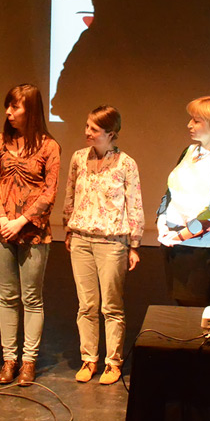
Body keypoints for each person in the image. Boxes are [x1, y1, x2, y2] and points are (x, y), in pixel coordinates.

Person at [0, 84, 61, 386]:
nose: (8, 112)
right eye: (8, 106)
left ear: (30, 111)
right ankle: (9, 359)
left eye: (14, 107)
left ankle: (28, 361)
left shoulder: (49, 147)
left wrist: (20, 221)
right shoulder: (0, 142)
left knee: (31, 297)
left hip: (32, 231)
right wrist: (4, 218)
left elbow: (50, 191)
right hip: (0, 227)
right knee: (7, 296)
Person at [63, 106, 143, 385]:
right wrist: (68, 228)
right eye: (87, 126)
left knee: (111, 306)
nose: (87, 132)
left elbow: (134, 204)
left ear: (111, 133)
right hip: (81, 238)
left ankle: (113, 362)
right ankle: (89, 359)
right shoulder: (78, 158)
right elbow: (70, 194)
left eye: (94, 129)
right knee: (86, 305)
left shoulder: (126, 164)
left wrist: (134, 244)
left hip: (112, 242)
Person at [157, 96, 210, 306]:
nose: (189, 125)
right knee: (180, 307)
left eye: (196, 121)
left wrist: (180, 236)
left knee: (194, 309)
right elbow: (171, 190)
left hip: (201, 249)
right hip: (174, 242)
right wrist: (162, 222)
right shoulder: (189, 151)